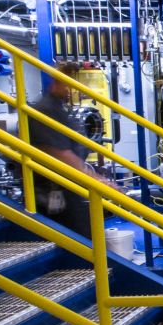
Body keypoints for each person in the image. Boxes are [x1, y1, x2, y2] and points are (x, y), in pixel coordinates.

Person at [26, 62, 115, 239]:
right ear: (58, 82)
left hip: (67, 187)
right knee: (76, 238)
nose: (77, 91)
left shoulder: (59, 108)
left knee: (85, 233)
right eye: (72, 85)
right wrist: (97, 179)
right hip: (53, 191)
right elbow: (58, 152)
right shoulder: (45, 110)